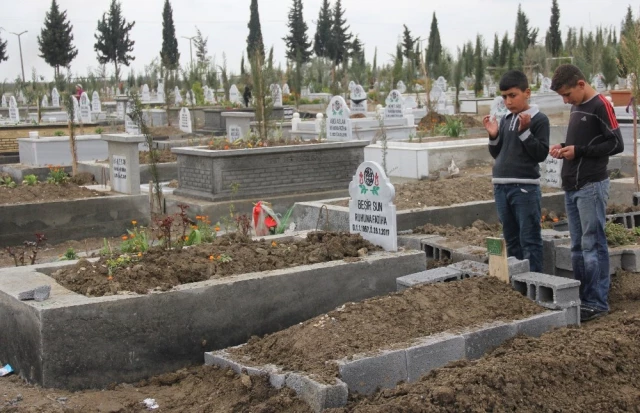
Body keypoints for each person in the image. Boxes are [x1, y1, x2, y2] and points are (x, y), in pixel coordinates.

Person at [549, 64, 624, 322]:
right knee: (578, 247)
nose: (565, 100)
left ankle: (597, 302)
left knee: (593, 245)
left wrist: (578, 151)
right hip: (572, 185)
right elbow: (583, 143)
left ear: (581, 84)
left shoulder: (600, 105)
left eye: (567, 94)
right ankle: (582, 298)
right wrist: (564, 147)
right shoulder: (577, 106)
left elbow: (616, 143)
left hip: (591, 185)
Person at [483, 70, 550, 273]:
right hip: (501, 186)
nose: (508, 101)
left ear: (527, 92)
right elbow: (498, 152)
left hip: (524, 188)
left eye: (513, 95)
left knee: (529, 239)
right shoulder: (505, 119)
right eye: (504, 97)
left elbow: (540, 153)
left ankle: (534, 282)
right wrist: (493, 135)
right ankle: (517, 283)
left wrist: (525, 132)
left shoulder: (539, 119)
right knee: (511, 239)